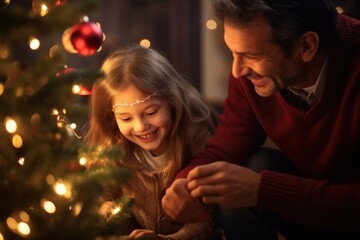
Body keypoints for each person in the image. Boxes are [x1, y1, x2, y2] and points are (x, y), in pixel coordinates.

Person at [161, 0, 360, 239]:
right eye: (232, 53)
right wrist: (186, 183)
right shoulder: (251, 77)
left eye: (250, 56)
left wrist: (264, 191)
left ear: (307, 46)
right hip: (314, 209)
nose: (237, 71)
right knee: (250, 168)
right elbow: (226, 148)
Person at [85, 44, 221, 239]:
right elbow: (104, 196)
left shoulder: (196, 142)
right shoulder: (116, 148)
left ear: (171, 101)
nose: (140, 127)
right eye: (126, 118)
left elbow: (208, 219)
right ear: (112, 116)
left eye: (150, 113)